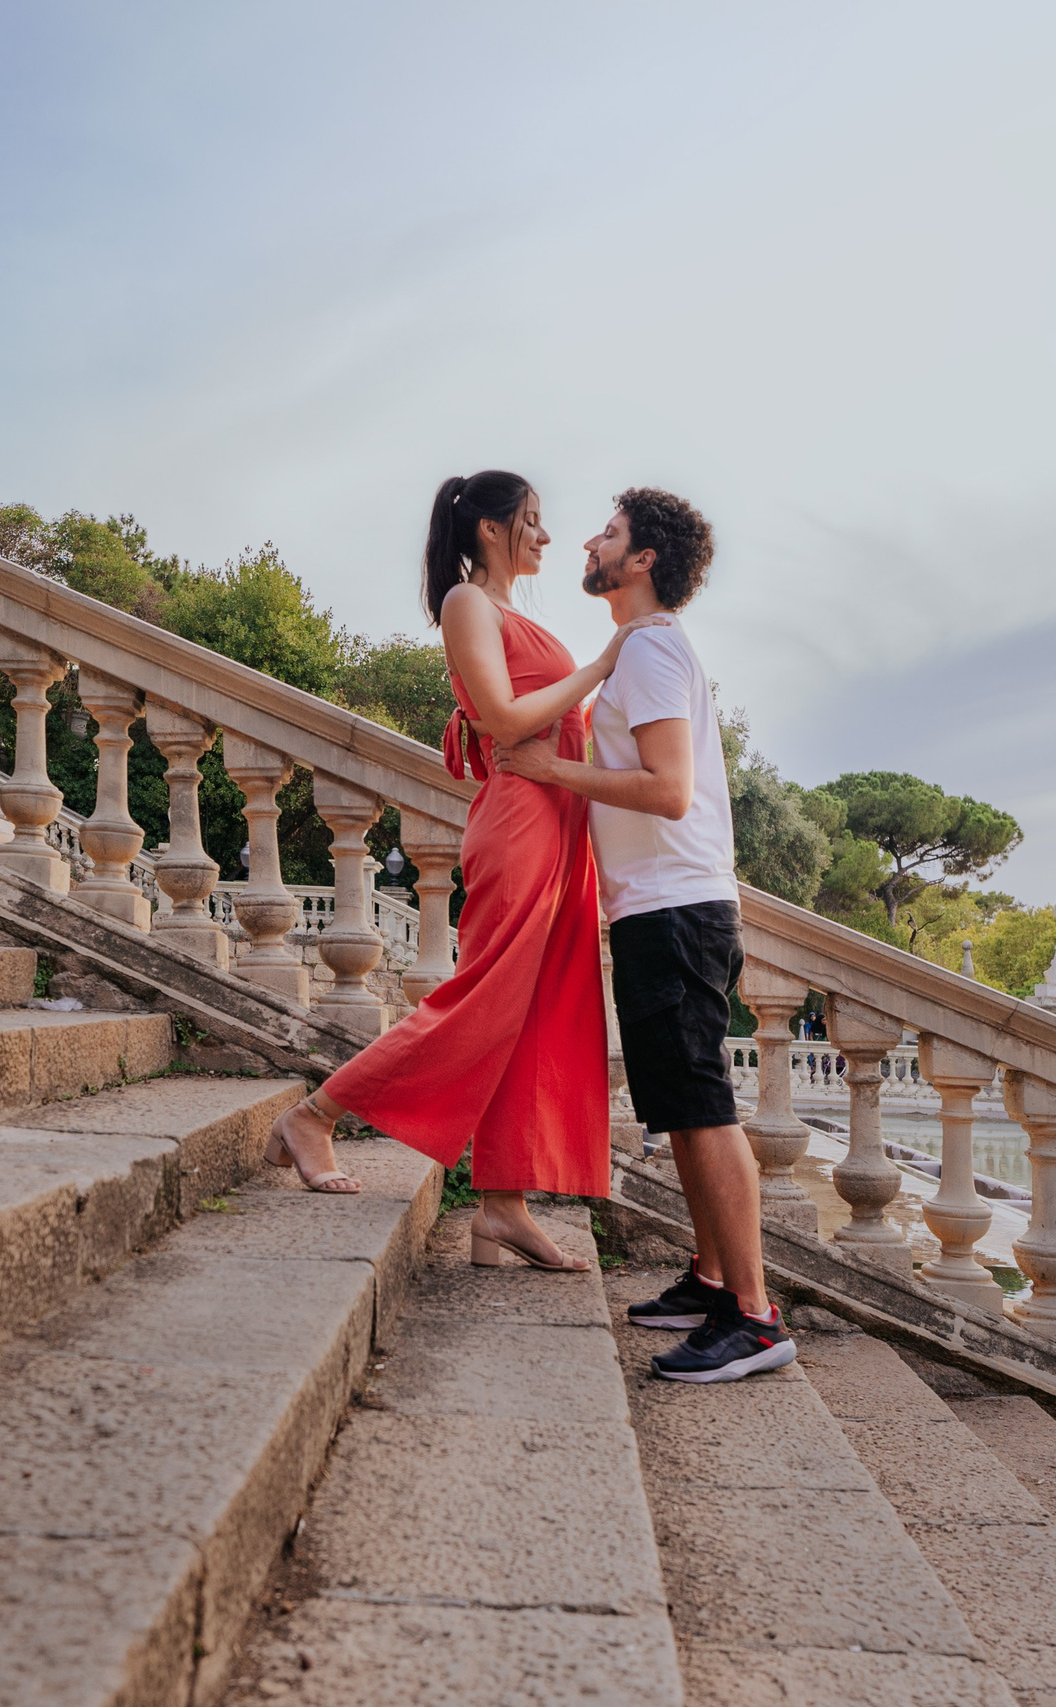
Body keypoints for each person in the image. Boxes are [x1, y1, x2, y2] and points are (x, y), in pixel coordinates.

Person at [262, 472, 665, 1271]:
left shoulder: (513, 613)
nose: (547, 537)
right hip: (521, 822)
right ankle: (314, 1115)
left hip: (556, 823)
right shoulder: (465, 603)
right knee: (482, 1000)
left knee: (537, 1014)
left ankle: (501, 1208)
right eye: (533, 522)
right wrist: (602, 665)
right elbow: (505, 719)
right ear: (488, 528)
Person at [499, 489, 795, 1382]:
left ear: (642, 562)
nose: (590, 540)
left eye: (610, 533)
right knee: (679, 1104)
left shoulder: (655, 648)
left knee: (701, 1106)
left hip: (676, 908)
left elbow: (669, 788)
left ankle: (754, 1314)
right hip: (657, 906)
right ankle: (711, 1280)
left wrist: (554, 768)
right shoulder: (638, 651)